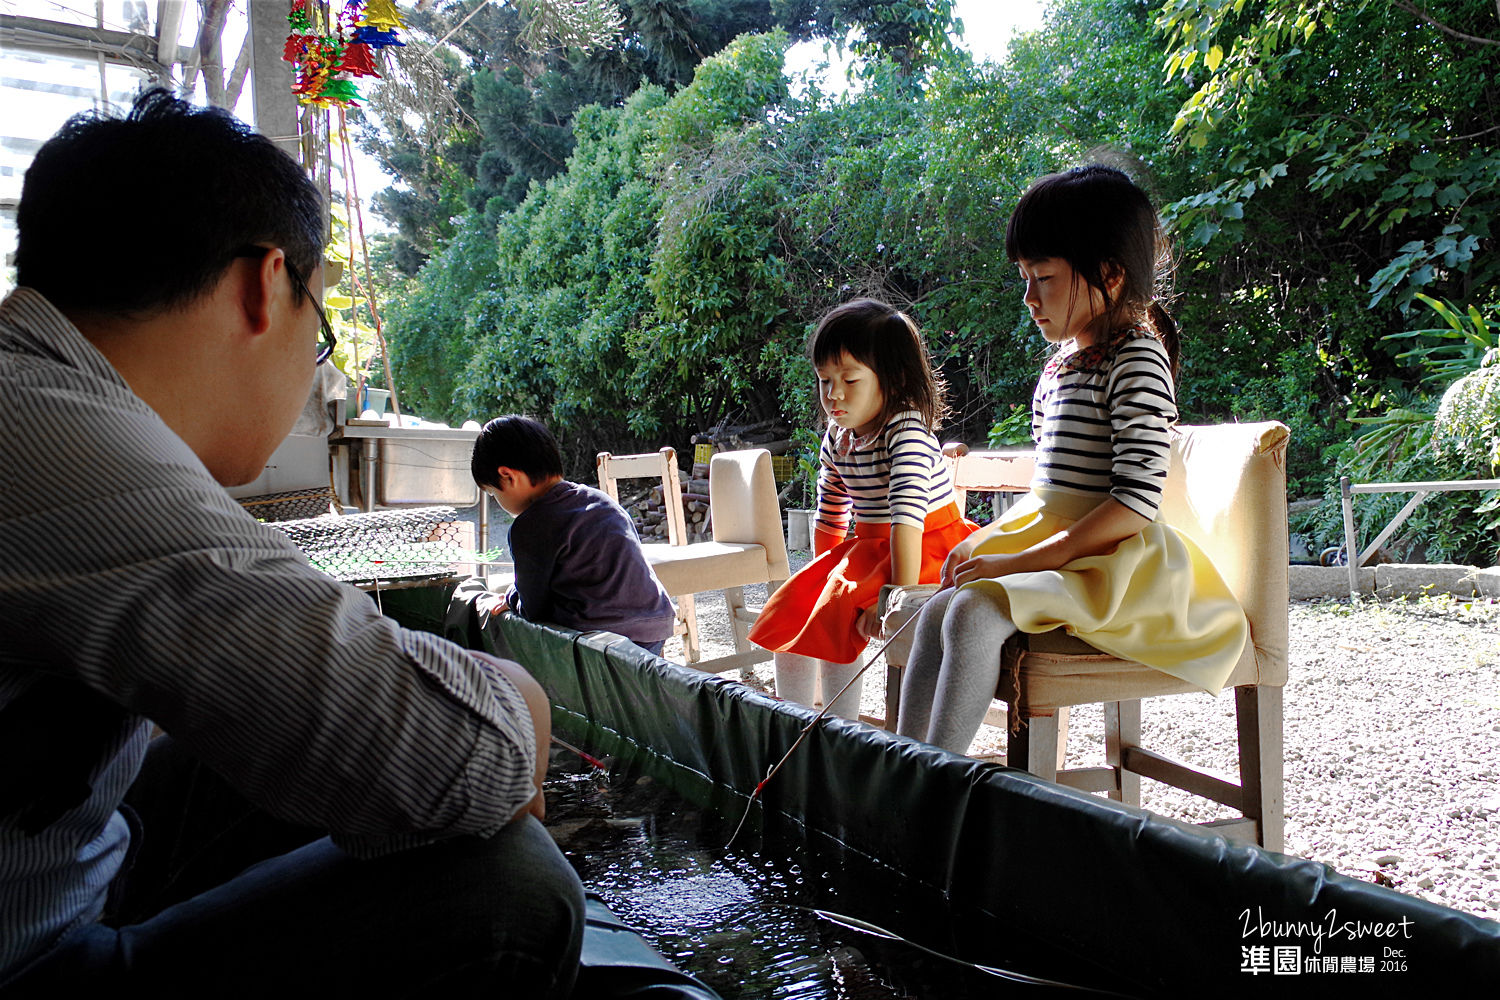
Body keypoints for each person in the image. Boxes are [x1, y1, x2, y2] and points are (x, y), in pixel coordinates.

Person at [0, 90, 583, 995]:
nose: (320, 368)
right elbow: (462, 756)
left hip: (52, 868)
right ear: (265, 286)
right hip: (28, 956)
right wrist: (522, 703)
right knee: (513, 886)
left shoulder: (39, 395)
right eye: (326, 334)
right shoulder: (58, 439)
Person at [895, 165, 1248, 753]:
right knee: (936, 609)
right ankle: (898, 768)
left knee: (972, 615)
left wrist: (1023, 561)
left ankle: (937, 781)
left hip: (1109, 563)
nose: (1029, 298)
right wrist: (986, 542)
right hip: (1058, 548)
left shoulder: (1136, 359)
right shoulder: (1061, 367)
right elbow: (1045, 493)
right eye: (1024, 278)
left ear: (1109, 275)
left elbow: (1133, 503)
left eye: (1045, 278)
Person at [748, 299, 979, 718]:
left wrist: (897, 600)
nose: (833, 394)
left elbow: (907, 523)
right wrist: (822, 576)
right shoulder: (840, 437)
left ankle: (840, 729)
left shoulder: (906, 434)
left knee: (836, 616)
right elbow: (830, 511)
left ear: (892, 380)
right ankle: (794, 722)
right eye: (824, 381)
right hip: (872, 549)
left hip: (926, 551)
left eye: (850, 380)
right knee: (791, 610)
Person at [470, 415, 677, 656]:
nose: (497, 500)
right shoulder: (600, 500)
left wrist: (510, 597)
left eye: (493, 493)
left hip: (598, 640)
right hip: (654, 626)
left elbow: (532, 609)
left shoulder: (530, 526)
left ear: (508, 476)